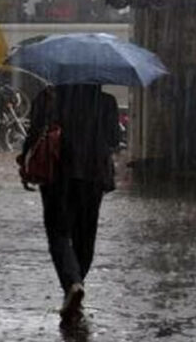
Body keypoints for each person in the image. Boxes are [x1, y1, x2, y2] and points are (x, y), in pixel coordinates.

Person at [19, 84, 120, 326]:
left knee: (58, 233)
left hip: (57, 173)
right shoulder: (106, 101)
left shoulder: (47, 98)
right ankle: (75, 286)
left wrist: (25, 164)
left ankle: (72, 284)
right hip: (94, 174)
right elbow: (114, 139)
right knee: (85, 236)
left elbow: (34, 136)